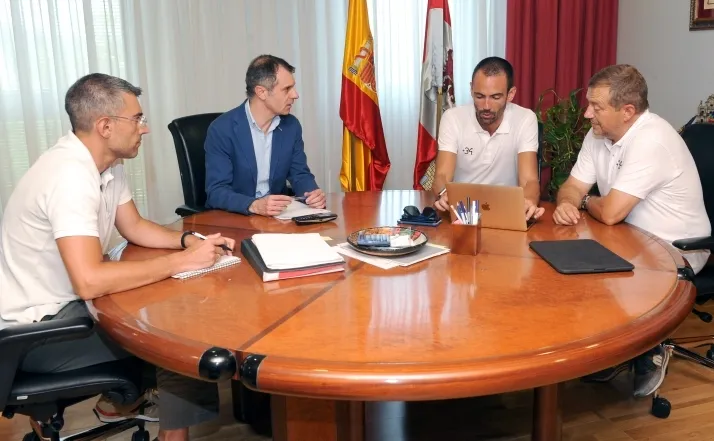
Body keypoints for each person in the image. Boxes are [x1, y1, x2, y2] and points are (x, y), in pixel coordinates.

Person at [0, 73, 235, 441]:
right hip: (36, 334)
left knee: (169, 306)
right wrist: (181, 263)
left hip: (67, 308)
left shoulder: (105, 165)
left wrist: (187, 241)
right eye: (137, 119)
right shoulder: (69, 176)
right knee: (181, 335)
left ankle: (122, 401)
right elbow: (89, 280)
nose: (146, 128)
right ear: (105, 126)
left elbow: (135, 226)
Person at [553, 64, 711, 398]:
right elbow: (572, 186)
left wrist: (585, 202)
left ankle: (647, 351)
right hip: (629, 238)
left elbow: (610, 213)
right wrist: (568, 202)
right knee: (565, 260)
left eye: (596, 107)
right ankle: (613, 350)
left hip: (676, 249)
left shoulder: (652, 140)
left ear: (627, 111)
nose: (587, 114)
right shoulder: (598, 135)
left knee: (599, 271)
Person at [204, 54, 325, 217]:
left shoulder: (291, 126)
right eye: (287, 89)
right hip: (236, 217)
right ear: (261, 92)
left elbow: (300, 174)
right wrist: (253, 205)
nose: (295, 95)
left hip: (277, 218)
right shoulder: (222, 129)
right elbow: (216, 191)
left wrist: (312, 194)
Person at [433, 56, 544, 221]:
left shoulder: (525, 119)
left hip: (506, 211)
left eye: (495, 97)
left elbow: (529, 180)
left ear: (510, 94)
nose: (486, 106)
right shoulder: (452, 118)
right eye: (479, 96)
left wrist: (528, 201)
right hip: (462, 212)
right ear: (471, 89)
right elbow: (442, 175)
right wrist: (443, 193)